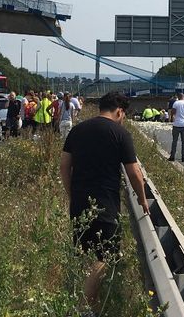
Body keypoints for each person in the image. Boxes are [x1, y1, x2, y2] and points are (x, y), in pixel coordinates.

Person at [60, 92, 149, 313]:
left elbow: (64, 166)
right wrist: (142, 198)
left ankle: (80, 300)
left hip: (79, 202)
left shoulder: (77, 130)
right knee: (104, 257)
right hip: (106, 205)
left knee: (83, 254)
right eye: (124, 115)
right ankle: (85, 308)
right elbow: (134, 172)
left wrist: (72, 194)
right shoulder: (120, 133)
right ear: (119, 111)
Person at [169, 92, 184, 162]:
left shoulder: (176, 103)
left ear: (178, 97)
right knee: (183, 141)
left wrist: (173, 117)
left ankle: (172, 157)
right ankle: (183, 157)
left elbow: (173, 112)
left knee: (174, 141)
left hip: (177, 124)